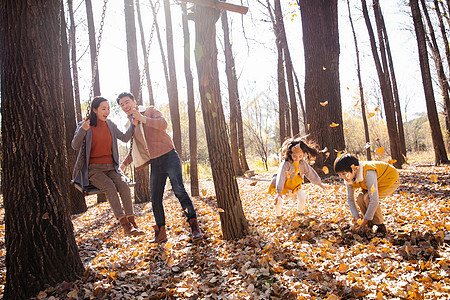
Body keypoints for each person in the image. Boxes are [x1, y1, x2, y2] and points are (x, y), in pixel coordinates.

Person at [116, 92, 203, 243]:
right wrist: (123, 165)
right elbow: (135, 149)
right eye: (121, 105)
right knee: (155, 198)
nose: (125, 106)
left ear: (134, 102)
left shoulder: (150, 110)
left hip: (169, 156)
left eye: (127, 102)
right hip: (155, 163)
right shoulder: (130, 125)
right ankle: (161, 232)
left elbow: (163, 124)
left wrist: (142, 118)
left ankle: (194, 226)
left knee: (179, 190)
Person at [72, 96, 144, 237]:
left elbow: (124, 138)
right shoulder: (85, 125)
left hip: (111, 168)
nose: (107, 111)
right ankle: (125, 226)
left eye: (108, 108)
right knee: (110, 187)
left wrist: (133, 124)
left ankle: (132, 221)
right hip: (94, 170)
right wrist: (82, 130)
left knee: (123, 186)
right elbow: (74, 146)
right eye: (103, 109)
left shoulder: (110, 124)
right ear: (94, 110)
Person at [333, 153, 400, 236]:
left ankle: (380, 226)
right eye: (339, 174)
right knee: (360, 198)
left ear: (354, 169)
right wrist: (357, 218)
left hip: (389, 180)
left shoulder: (368, 173)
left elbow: (374, 200)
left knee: (368, 198)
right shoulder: (348, 178)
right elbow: (350, 199)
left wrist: (364, 220)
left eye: (344, 174)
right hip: (372, 184)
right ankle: (369, 225)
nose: (342, 177)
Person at [268, 137, 328, 216]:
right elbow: (281, 176)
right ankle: (278, 215)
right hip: (284, 185)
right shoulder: (285, 164)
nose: (297, 158)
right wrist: (279, 191)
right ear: (290, 154)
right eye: (294, 156)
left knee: (302, 197)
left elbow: (310, 173)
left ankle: (299, 212)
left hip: (296, 185)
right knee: (278, 200)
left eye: (300, 156)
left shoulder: (302, 163)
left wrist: (320, 184)